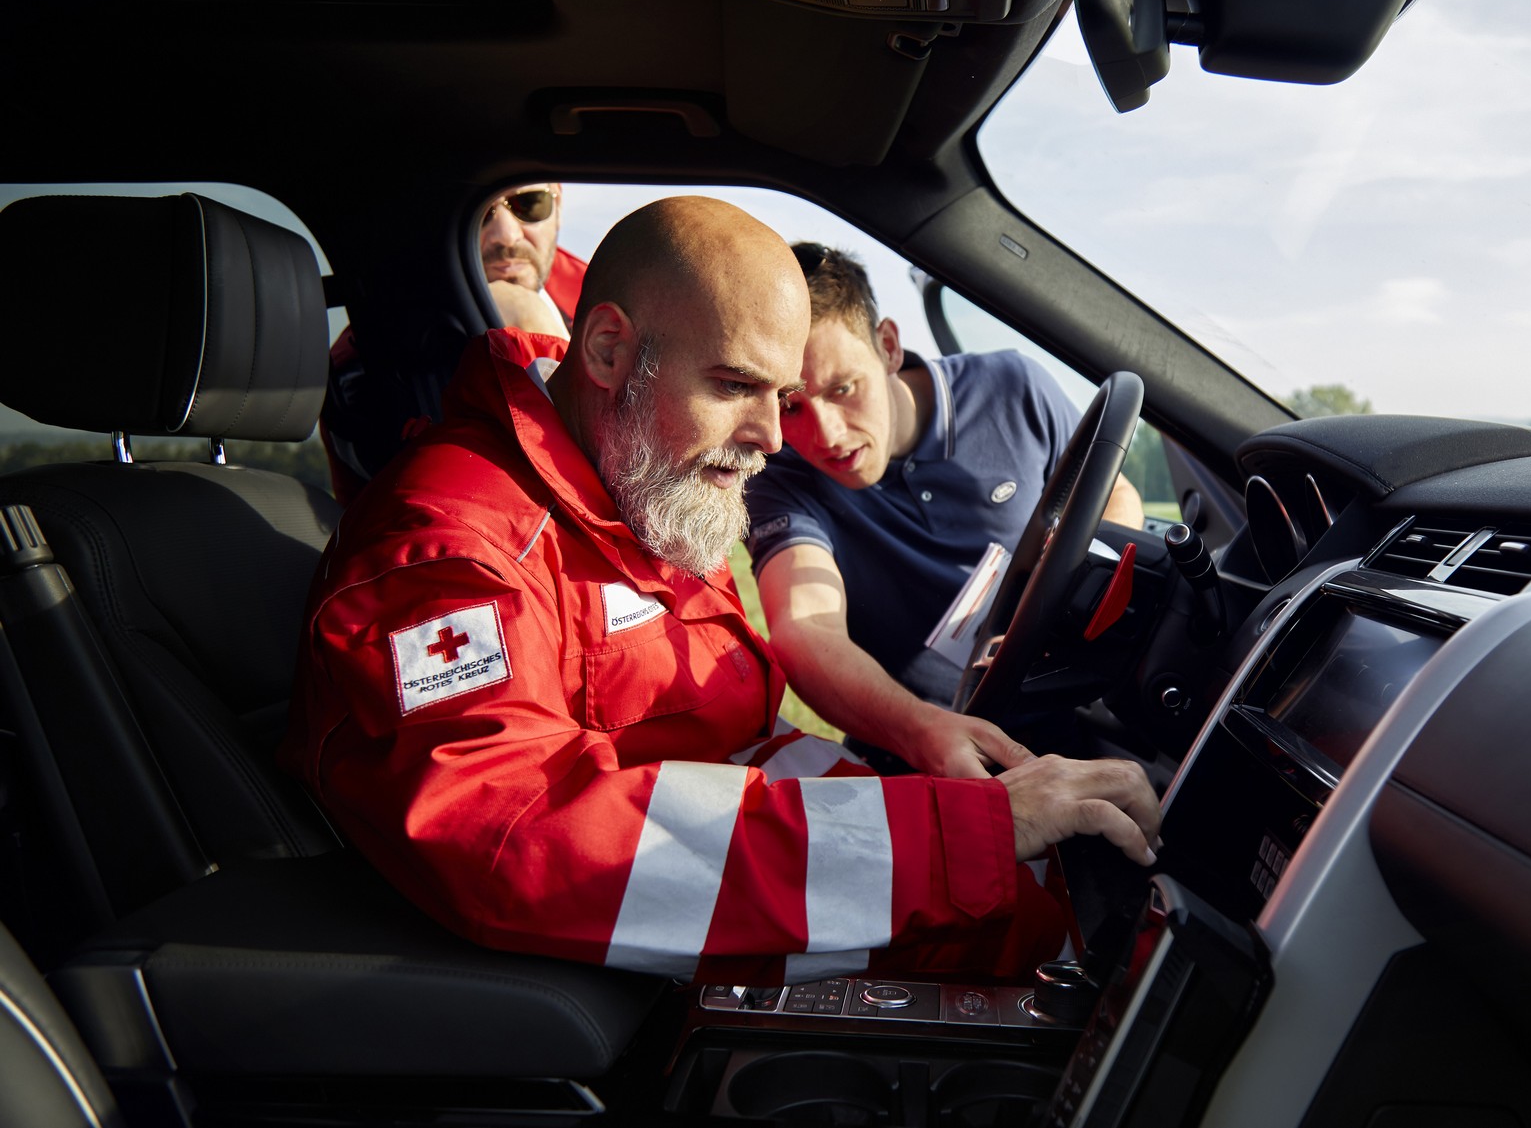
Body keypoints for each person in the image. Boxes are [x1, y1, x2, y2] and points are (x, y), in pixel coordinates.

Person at [283, 197, 1160, 986]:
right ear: (608, 350)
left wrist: (983, 831)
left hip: (734, 889)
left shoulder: (627, 486)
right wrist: (962, 838)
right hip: (635, 971)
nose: (775, 438)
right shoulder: (451, 551)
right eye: (737, 386)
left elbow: (740, 748)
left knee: (1079, 903)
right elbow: (517, 837)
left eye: (781, 394)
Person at [745, 245, 1144, 774]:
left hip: (1072, 706)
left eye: (843, 388)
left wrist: (1075, 589)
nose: (826, 436)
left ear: (887, 346)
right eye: (791, 405)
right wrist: (924, 732)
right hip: (920, 755)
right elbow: (806, 628)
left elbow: (1116, 495)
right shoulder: (781, 473)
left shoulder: (1013, 388)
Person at [321, 182, 588, 504]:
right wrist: (538, 333)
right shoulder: (371, 367)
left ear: (558, 210)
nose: (507, 236)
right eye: (482, 212)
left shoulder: (611, 293)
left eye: (530, 204)